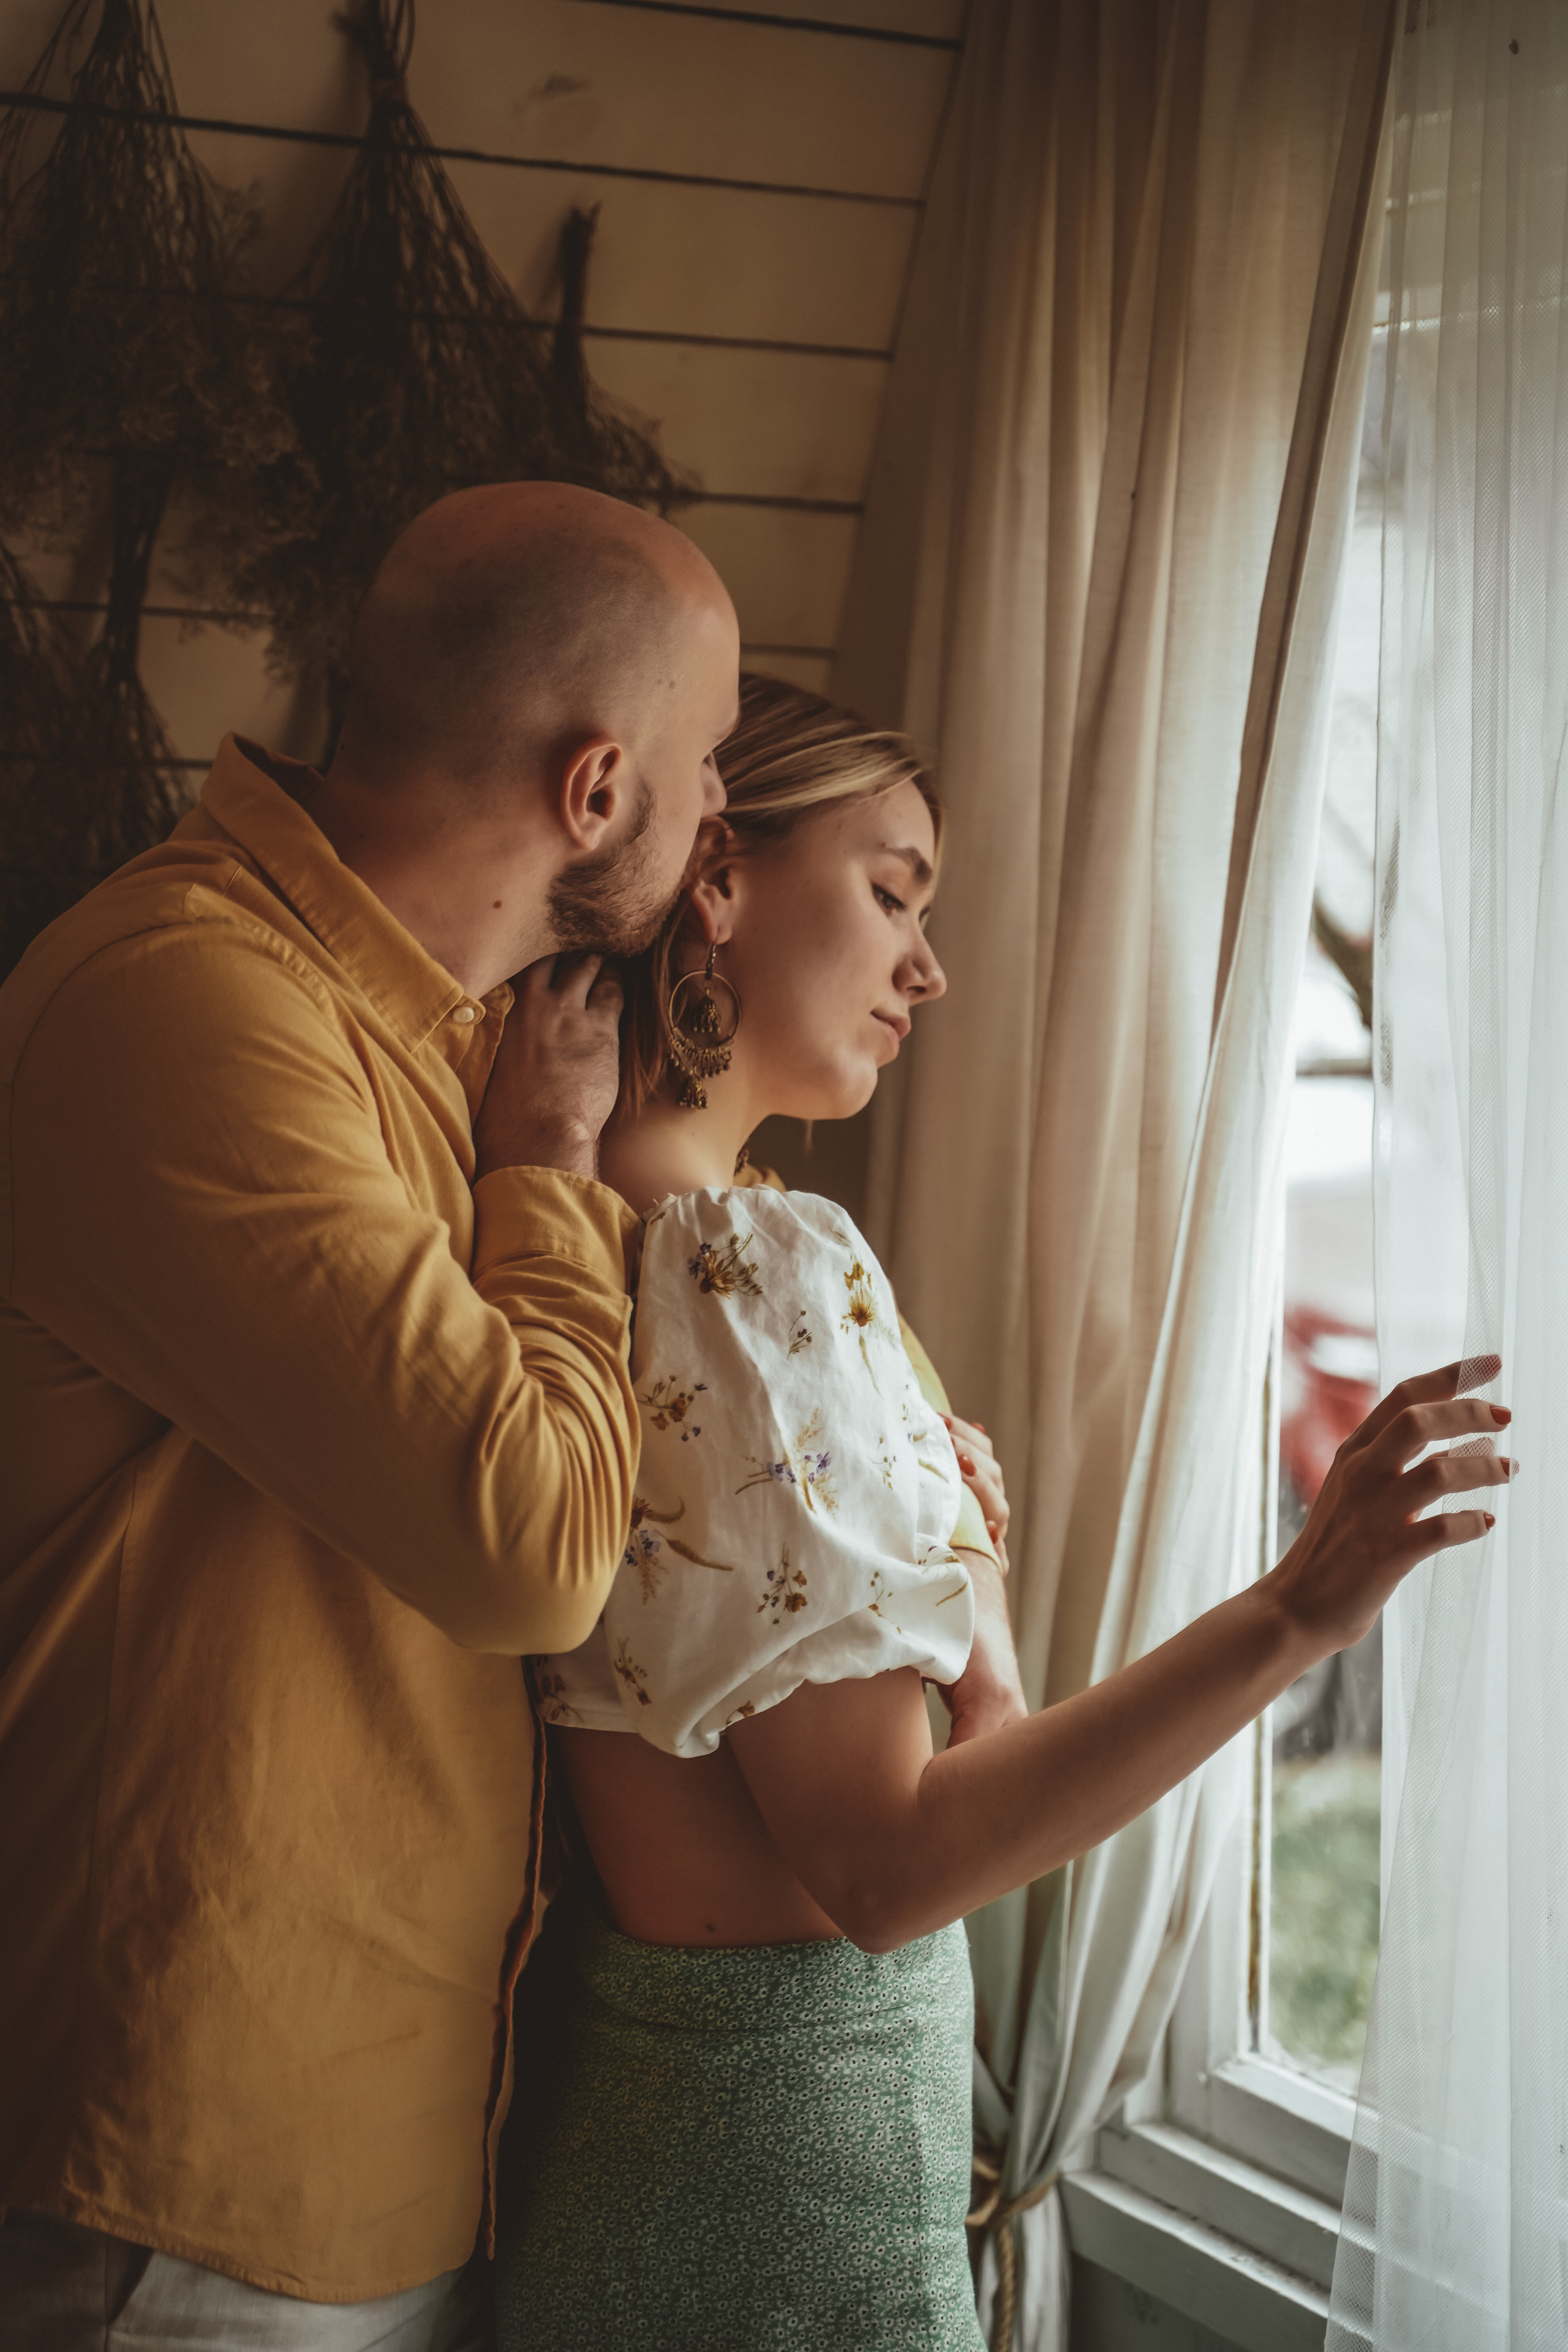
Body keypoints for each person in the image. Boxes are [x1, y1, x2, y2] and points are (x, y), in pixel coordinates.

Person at [494, 673, 1513, 2352]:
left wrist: (977, 1603)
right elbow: (891, 1872)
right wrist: (1294, 1615)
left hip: (728, 2144)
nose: (929, 966)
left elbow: (971, 1773)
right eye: (890, 889)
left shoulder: (621, 1238)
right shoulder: (749, 1266)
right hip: (777, 2191)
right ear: (722, 877)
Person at [0, 480, 753, 2349]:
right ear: (596, 790)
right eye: (713, 762)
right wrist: (556, 1175)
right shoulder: (190, 1004)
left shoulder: (448, 1033)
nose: (725, 811)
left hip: (385, 2155)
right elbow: (528, 1551)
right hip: (175, 2195)